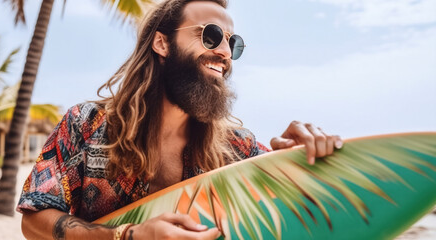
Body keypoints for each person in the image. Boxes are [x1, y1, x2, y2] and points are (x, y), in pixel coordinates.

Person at [17, 0, 343, 239]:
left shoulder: (236, 146)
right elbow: (34, 218)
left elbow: (288, 200)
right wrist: (126, 236)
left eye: (233, 43)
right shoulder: (86, 124)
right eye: (211, 35)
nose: (226, 52)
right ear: (162, 43)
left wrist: (300, 155)